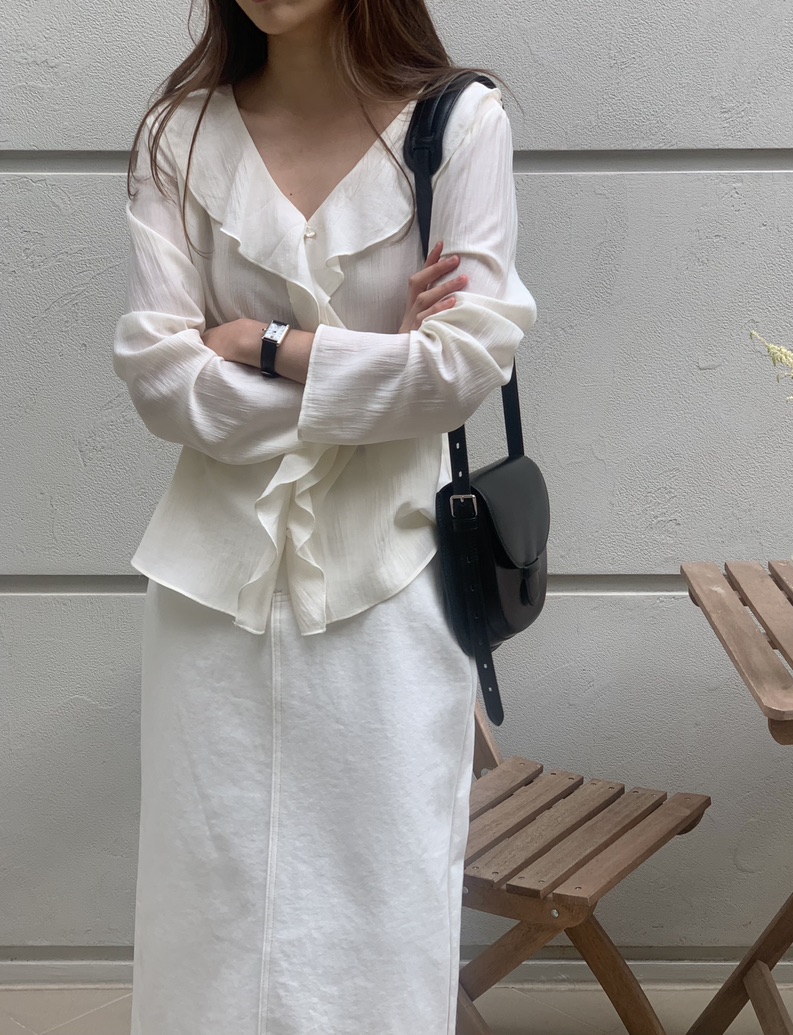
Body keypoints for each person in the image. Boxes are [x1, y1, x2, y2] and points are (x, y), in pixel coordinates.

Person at [112, 0, 538, 1031]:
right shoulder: (179, 135)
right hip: (212, 600)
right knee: (207, 907)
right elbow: (161, 379)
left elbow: (463, 368)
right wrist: (380, 365)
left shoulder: (458, 125)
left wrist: (265, 345)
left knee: (380, 907)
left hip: (389, 592)